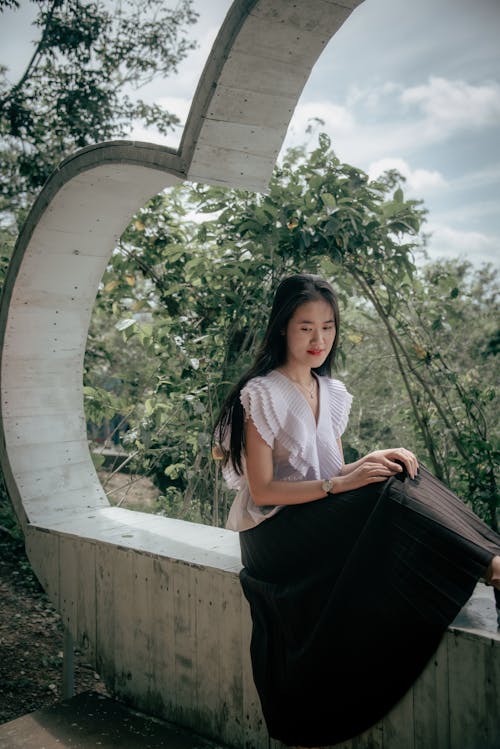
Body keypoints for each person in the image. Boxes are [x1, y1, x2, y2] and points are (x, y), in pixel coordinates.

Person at [213, 273, 500, 747]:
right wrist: (340, 482)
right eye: (306, 327)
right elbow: (263, 490)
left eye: (327, 327)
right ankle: (490, 564)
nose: (318, 339)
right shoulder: (261, 393)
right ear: (283, 327)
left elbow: (333, 468)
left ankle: (491, 559)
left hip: (313, 515)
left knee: (400, 471)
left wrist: (367, 462)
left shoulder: (331, 391)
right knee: (389, 492)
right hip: (273, 537)